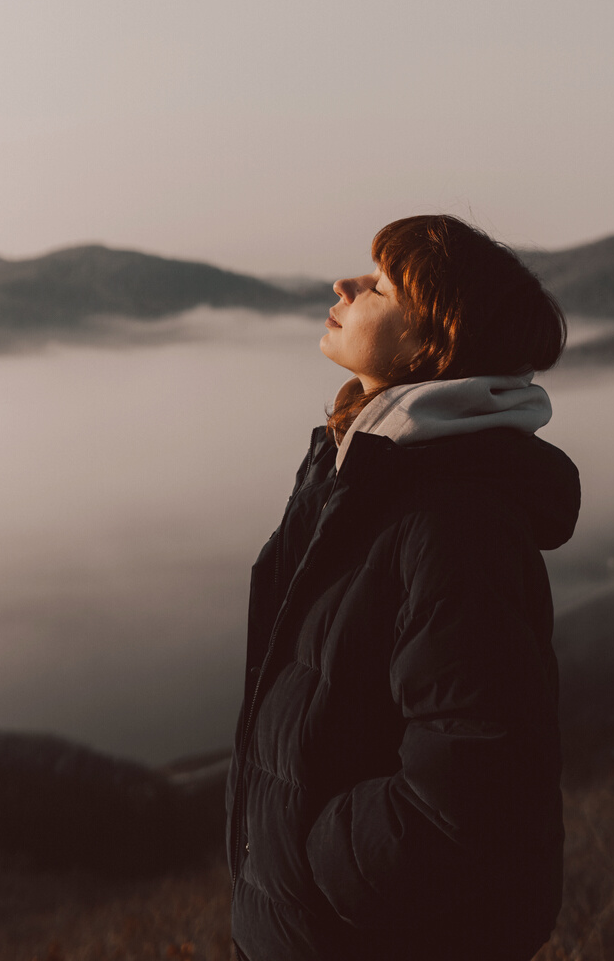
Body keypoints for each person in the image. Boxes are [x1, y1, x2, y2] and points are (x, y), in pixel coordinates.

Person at [225, 214, 581, 961]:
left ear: (432, 346)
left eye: (380, 286)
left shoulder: (452, 523)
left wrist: (313, 859)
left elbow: (467, 791)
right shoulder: (361, 475)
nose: (344, 287)